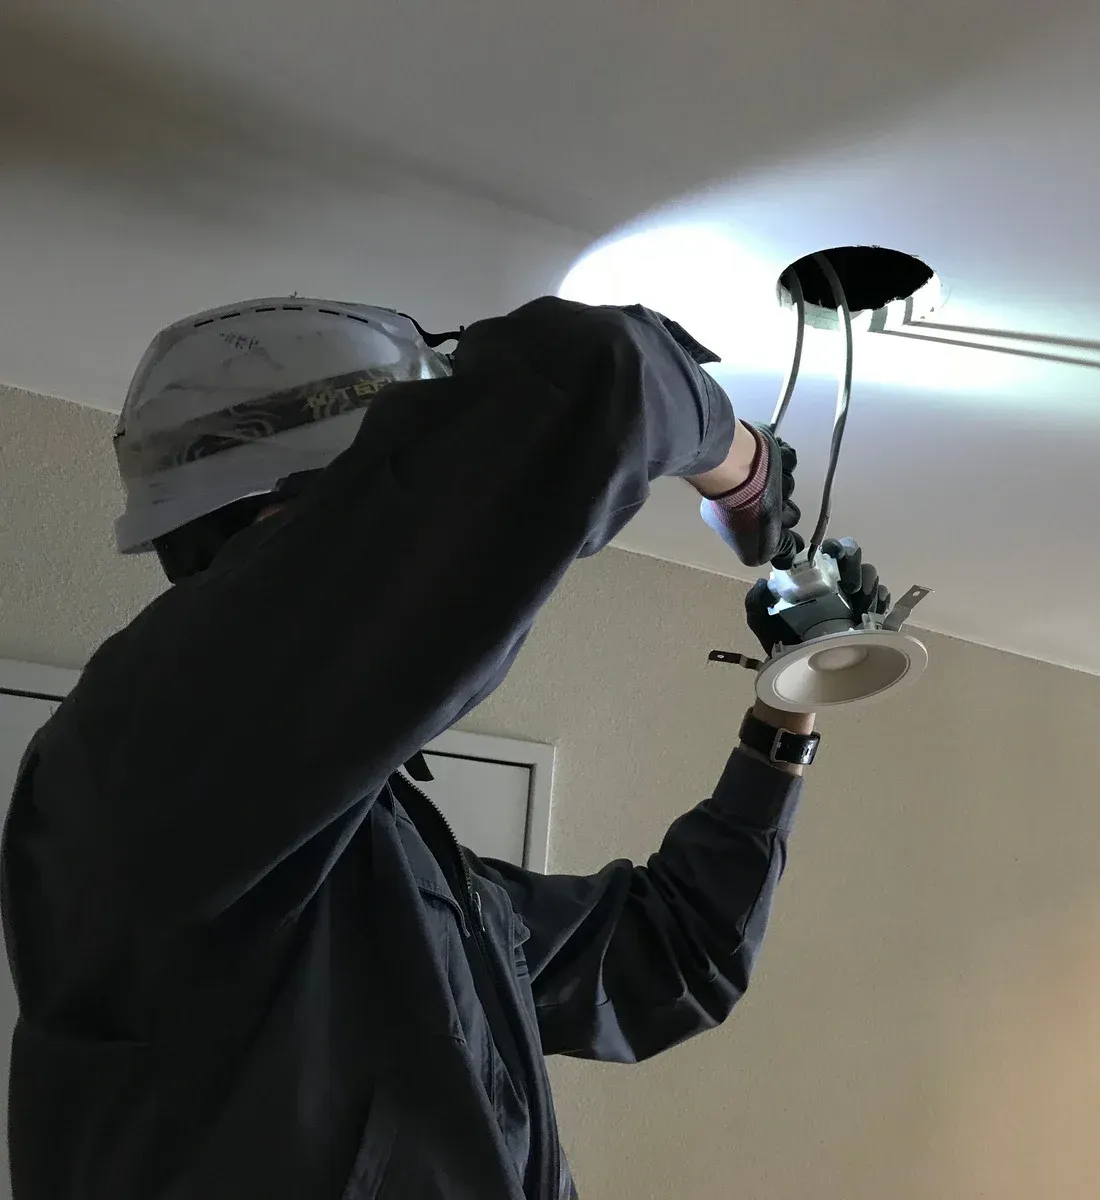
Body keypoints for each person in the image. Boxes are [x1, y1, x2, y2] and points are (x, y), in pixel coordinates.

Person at [1, 296, 885, 1199]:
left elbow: (675, 960)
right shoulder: (154, 742)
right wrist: (746, 472)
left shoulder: (384, 885)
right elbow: (599, 367)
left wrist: (791, 703)